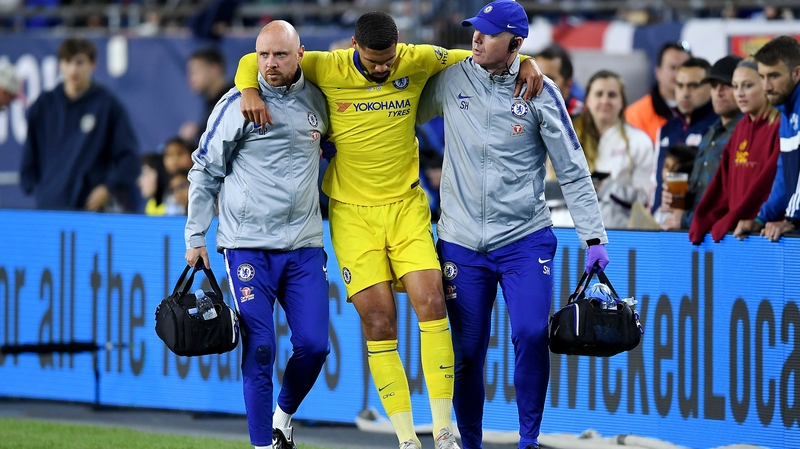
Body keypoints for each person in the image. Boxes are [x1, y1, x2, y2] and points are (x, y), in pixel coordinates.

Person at [233, 11, 545, 449]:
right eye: (375, 61)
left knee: (433, 299)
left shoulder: (416, 59)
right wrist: (248, 87)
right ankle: (405, 440)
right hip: (352, 214)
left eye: (389, 60)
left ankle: (443, 431)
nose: (383, 68)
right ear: (354, 48)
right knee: (379, 321)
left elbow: (481, 55)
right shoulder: (326, 65)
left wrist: (526, 60)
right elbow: (260, 57)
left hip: (406, 207)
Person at [416, 2, 609, 448]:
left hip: (524, 239)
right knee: (466, 353)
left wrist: (594, 237)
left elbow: (574, 168)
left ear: (516, 43)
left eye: (488, 33)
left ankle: (528, 440)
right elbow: (402, 111)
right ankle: (470, 444)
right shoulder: (452, 77)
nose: (476, 39)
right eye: (474, 31)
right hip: (461, 242)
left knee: (530, 333)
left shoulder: (542, 93)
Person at [184, 21, 330, 449]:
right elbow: (204, 169)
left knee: (315, 346)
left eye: (280, 55)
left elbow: (339, 148)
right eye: (263, 55)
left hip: (304, 246)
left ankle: (281, 418)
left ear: (300, 54)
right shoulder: (235, 104)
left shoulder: (320, 101)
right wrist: (196, 236)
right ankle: (262, 446)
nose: (270, 64)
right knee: (261, 347)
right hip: (247, 245)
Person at [19, 37, 140, 212]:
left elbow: (129, 157)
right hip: (49, 205)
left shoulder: (107, 105)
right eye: (67, 62)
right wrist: (40, 189)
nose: (73, 69)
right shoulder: (44, 105)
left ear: (93, 64)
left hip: (89, 209)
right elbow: (30, 154)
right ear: (60, 65)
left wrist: (107, 187)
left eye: (80, 62)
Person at [689, 59, 781, 244]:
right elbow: (722, 183)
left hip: (761, 231)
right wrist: (703, 218)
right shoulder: (741, 127)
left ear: (765, 86)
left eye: (747, 86)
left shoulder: (778, 126)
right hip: (737, 232)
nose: (739, 93)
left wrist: (729, 221)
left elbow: (765, 184)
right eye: (736, 86)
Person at [661, 55, 743, 230]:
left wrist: (684, 220)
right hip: (699, 235)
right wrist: (676, 202)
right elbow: (698, 188)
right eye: (714, 86)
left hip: (726, 236)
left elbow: (731, 199)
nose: (719, 92)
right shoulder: (711, 133)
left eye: (727, 85)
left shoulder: (745, 133)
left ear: (740, 88)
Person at [735, 36, 800, 241]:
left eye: (773, 76)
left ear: (797, 72)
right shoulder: (786, 110)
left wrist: (792, 219)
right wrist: (763, 219)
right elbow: (785, 173)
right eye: (762, 76)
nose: (766, 86)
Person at [573, 70, 655, 228]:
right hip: (569, 234)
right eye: (599, 94)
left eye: (612, 95)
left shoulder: (639, 141)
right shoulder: (567, 139)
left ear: (622, 102)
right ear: (587, 100)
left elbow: (646, 198)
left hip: (618, 235)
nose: (605, 100)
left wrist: (607, 188)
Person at [651, 57, 717, 213]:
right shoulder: (666, 129)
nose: (685, 93)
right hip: (661, 225)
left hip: (695, 225)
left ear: (711, 87)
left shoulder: (718, 128)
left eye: (693, 86)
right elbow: (655, 183)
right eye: (680, 85)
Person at [625, 41, 691, 143]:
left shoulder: (706, 112)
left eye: (684, 68)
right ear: (658, 72)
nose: (679, 74)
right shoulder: (635, 115)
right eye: (672, 68)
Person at [179, 47, 235, 143]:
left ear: (215, 69)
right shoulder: (210, 103)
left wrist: (199, 132)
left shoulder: (234, 100)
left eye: (195, 71)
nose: (191, 78)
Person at [653, 144, 696, 227]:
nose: (669, 172)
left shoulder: (690, 211)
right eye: (666, 166)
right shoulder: (660, 209)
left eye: (676, 168)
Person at [535, 44, 584, 118]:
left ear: (567, 85)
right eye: (535, 77)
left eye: (548, 79)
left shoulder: (583, 118)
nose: (539, 84)